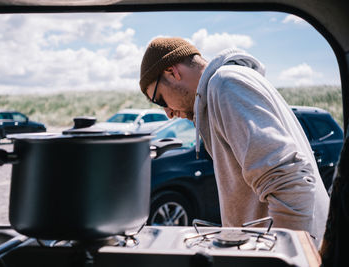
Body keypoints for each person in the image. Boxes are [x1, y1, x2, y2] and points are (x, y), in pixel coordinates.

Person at [139, 37, 329, 247]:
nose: (168, 113)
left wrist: (282, 256)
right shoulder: (223, 89)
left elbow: (290, 183)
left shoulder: (226, 86)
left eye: (160, 99)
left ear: (172, 72)